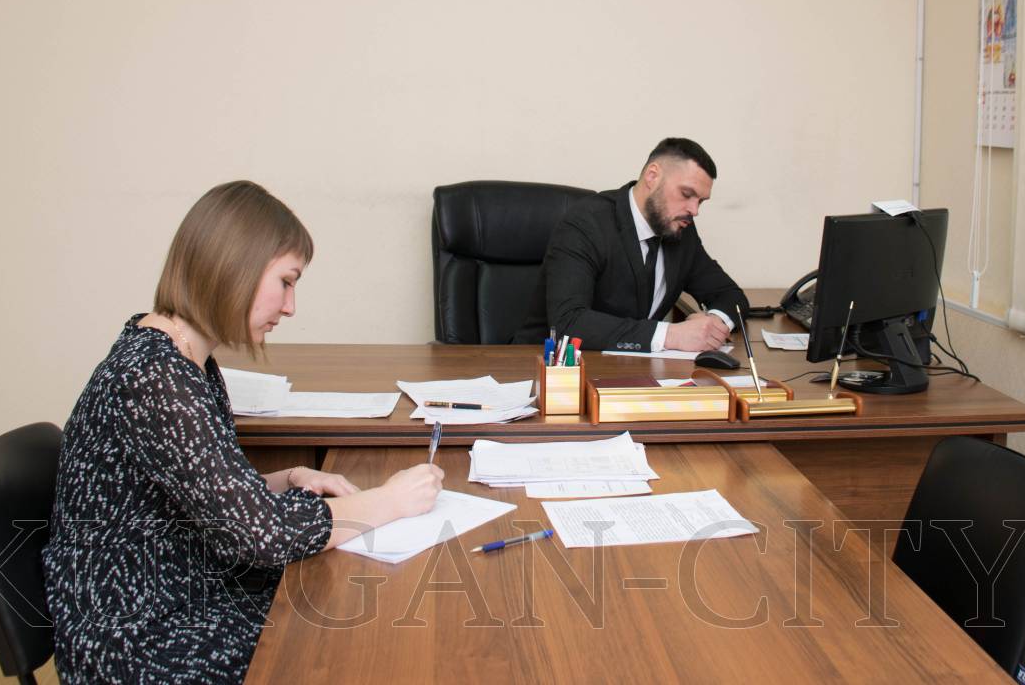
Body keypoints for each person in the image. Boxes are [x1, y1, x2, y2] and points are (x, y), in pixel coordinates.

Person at [42, 181, 442, 684]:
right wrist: (388, 501)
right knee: (346, 641)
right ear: (236, 267)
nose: (291, 307)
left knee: (351, 609)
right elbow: (260, 536)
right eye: (286, 282)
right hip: (137, 634)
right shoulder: (156, 378)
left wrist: (288, 477)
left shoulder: (179, 357)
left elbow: (200, 494)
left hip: (177, 585)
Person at [515, 138, 748, 352]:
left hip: (629, 369)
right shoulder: (586, 223)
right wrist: (671, 335)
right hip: (545, 368)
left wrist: (713, 324)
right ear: (652, 176)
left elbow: (731, 295)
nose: (694, 210)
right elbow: (569, 323)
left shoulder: (680, 229)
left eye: (701, 201)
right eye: (686, 194)